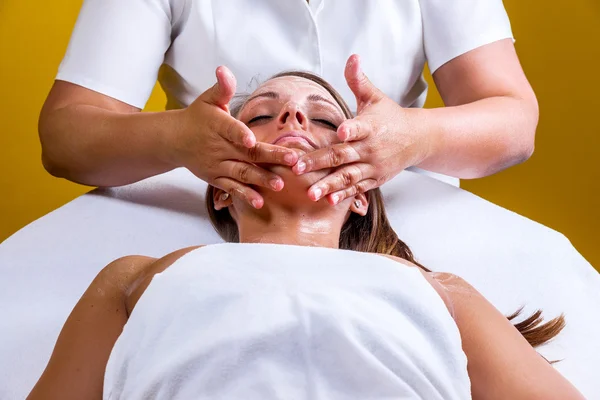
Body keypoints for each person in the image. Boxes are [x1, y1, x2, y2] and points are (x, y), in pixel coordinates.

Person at [28, 72, 582, 400]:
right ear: (219, 188)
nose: (292, 114)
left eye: (321, 121)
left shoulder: (437, 290)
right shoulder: (133, 279)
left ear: (360, 190)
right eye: (262, 115)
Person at [39, 0, 539, 210]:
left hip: (393, 219)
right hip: (213, 221)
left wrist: (414, 138)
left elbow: (513, 121)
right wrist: (176, 139)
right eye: (260, 112)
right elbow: (66, 137)